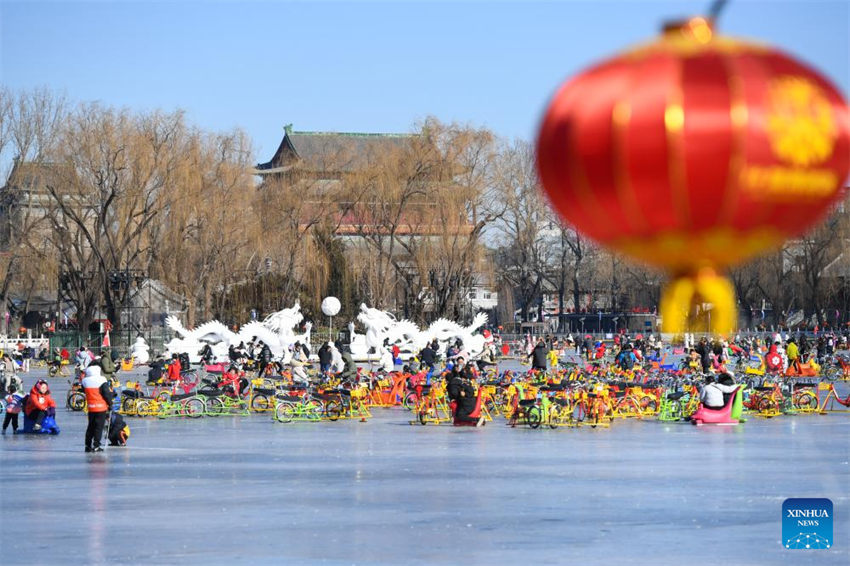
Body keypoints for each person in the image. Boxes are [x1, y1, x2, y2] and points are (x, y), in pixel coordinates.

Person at [81, 365, 114, 452]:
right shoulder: (101, 380)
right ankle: (96, 445)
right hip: (101, 407)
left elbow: (83, 390)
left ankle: (87, 445)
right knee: (99, 427)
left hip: (91, 407)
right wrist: (110, 404)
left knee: (90, 426)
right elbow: (106, 394)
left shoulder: (85, 381)